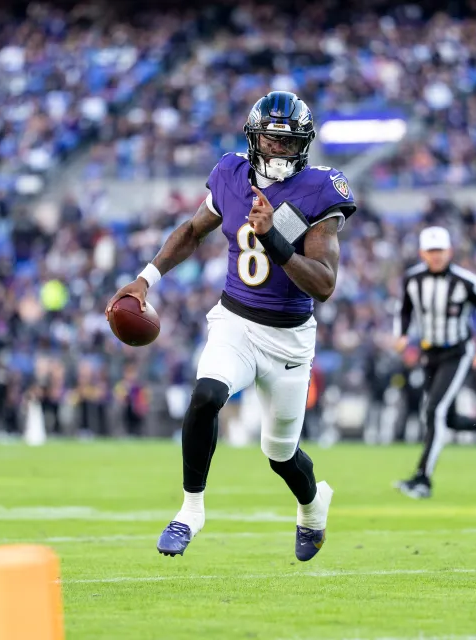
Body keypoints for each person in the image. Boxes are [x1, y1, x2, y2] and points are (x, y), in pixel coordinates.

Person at [106, 91, 357, 560]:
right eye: (270, 139)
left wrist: (273, 237)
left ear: (304, 145)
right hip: (235, 321)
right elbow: (192, 231)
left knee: (281, 455)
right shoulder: (231, 174)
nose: (278, 149)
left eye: (288, 141)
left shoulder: (320, 189)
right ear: (253, 138)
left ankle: (312, 507)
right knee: (206, 395)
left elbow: (323, 284)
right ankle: (190, 511)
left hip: (288, 340)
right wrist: (145, 279)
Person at [392, 226, 476, 499]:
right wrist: (402, 334)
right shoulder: (413, 279)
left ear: (450, 252)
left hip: (457, 352)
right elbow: (404, 309)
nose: (436, 256)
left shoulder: (465, 282)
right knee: (448, 418)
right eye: (431, 251)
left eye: (440, 250)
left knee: (434, 411)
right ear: (422, 253)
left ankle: (423, 479)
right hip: (429, 353)